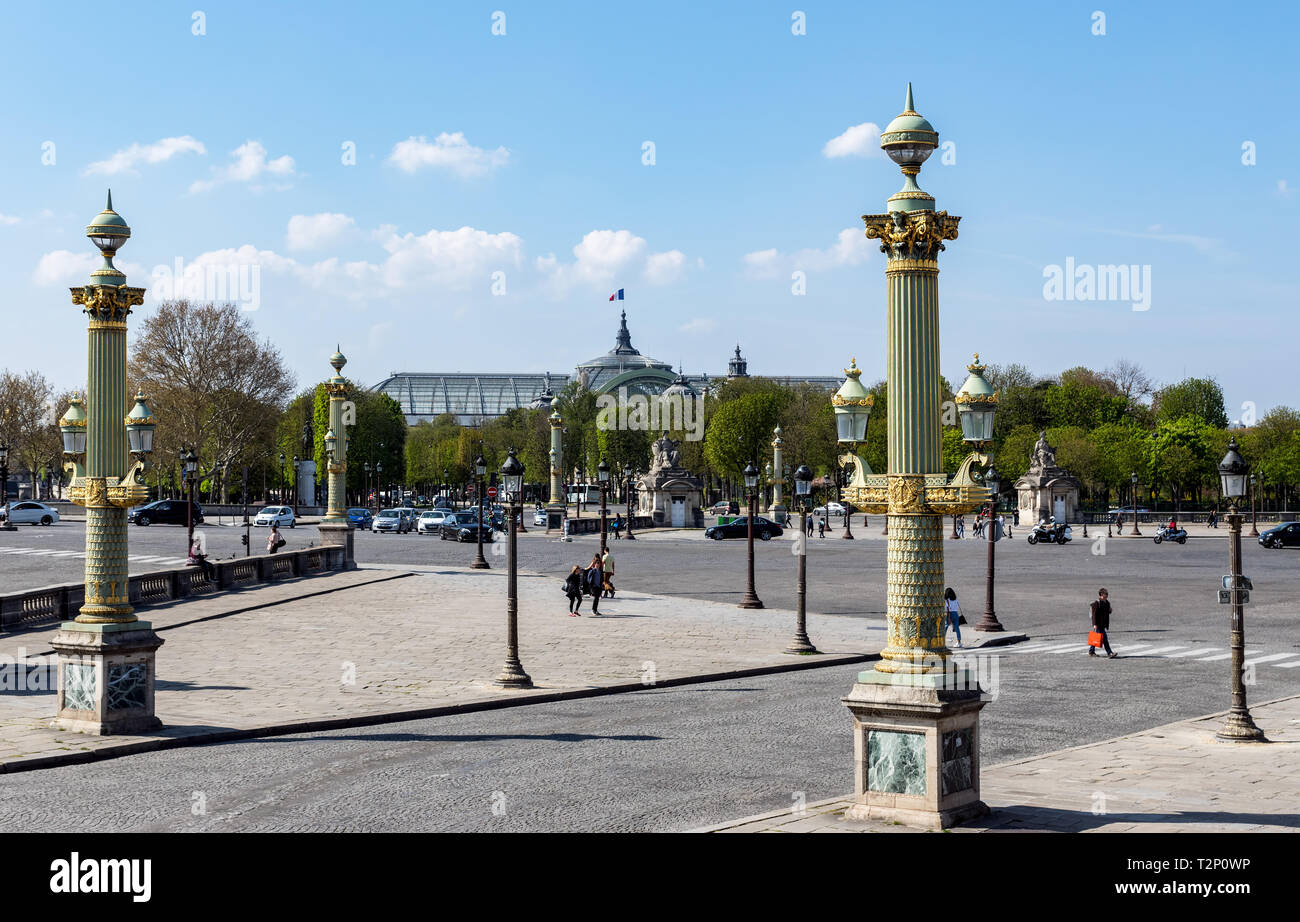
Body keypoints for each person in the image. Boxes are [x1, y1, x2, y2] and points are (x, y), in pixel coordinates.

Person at [1089, 587, 1116, 658]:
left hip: (1103, 624)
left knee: (1096, 638)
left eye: (1107, 593)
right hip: (1098, 624)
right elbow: (1094, 614)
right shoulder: (1097, 603)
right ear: (1101, 594)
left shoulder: (1107, 603)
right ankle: (1109, 653)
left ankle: (1091, 651)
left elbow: (1107, 612)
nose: (1107, 595)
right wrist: (1094, 624)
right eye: (1105, 594)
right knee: (1104, 639)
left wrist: (1110, 610)